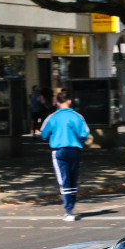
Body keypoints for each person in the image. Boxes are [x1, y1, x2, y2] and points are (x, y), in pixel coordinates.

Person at [39, 88, 90, 221]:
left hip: (59, 150)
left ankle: (68, 211)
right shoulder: (77, 116)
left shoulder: (52, 117)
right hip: (75, 150)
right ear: (70, 101)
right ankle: (71, 206)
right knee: (73, 178)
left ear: (57, 102)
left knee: (64, 179)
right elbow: (84, 133)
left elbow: (43, 133)